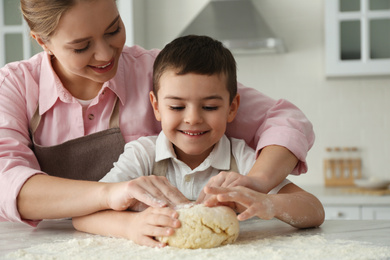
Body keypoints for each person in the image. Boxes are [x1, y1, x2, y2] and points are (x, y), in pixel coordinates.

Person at [0, 0, 314, 231]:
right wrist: (113, 194)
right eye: (81, 47)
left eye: (114, 29)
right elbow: (6, 181)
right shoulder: (14, 86)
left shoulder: (160, 73)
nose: (106, 54)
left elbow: (284, 119)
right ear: (42, 41)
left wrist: (258, 184)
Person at [72, 35, 324, 248]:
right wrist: (131, 225)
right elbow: (83, 215)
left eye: (210, 106)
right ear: (157, 107)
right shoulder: (143, 156)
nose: (192, 118)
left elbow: (313, 209)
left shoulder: (241, 161)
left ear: (232, 108)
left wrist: (268, 202)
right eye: (177, 106)